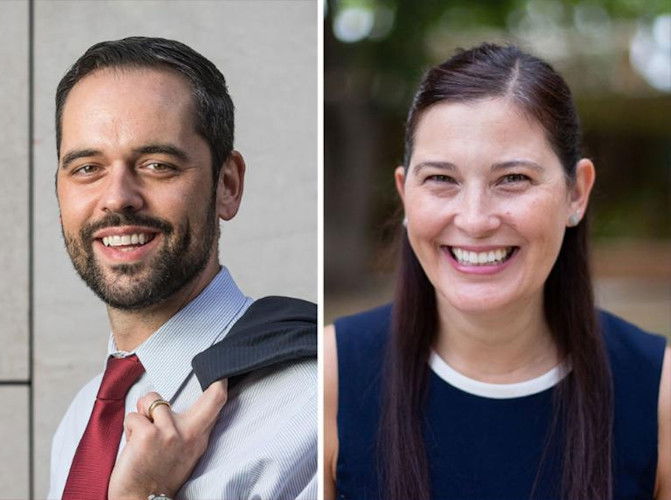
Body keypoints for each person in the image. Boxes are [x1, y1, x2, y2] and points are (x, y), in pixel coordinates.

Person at [323, 43, 671, 499]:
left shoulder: (659, 390)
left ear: (576, 193)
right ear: (405, 193)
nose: (474, 220)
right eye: (441, 179)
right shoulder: (329, 377)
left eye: (513, 179)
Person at [48, 36, 318, 500]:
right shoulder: (78, 419)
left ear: (227, 186)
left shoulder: (312, 406)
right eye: (87, 168)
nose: (117, 198)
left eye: (157, 165)